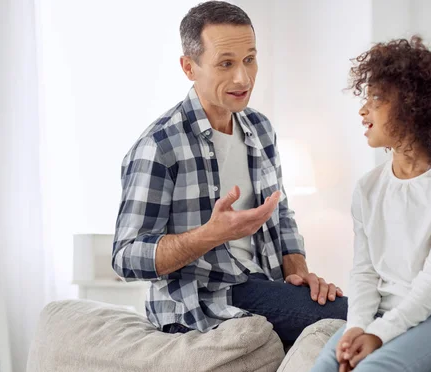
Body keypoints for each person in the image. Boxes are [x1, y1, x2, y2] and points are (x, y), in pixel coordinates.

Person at [111, 1, 347, 345]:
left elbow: (280, 216)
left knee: (373, 315)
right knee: (360, 323)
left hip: (263, 286)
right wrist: (210, 234)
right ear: (189, 67)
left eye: (249, 60)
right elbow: (125, 257)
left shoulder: (260, 128)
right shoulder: (159, 145)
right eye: (226, 64)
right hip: (201, 301)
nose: (243, 78)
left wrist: (300, 276)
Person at [297, 36, 431, 372]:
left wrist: (378, 336)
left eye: (376, 99)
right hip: (378, 314)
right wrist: (356, 329)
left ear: (414, 108)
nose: (363, 111)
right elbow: (364, 272)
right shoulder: (368, 188)